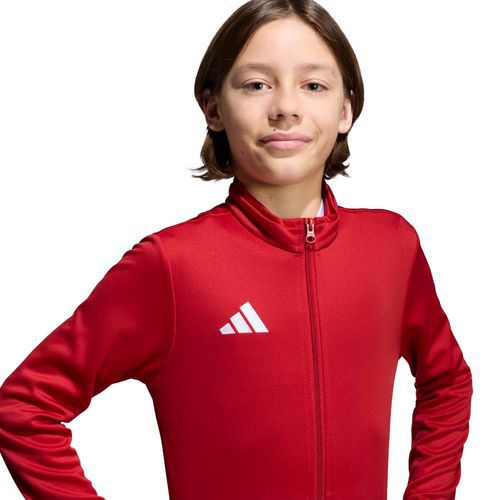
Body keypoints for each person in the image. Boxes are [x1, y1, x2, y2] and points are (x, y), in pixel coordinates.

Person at [0, 1, 473, 499]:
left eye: (313, 85)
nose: (286, 106)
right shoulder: (173, 265)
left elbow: (447, 381)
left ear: (345, 110)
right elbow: (25, 407)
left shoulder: (392, 247)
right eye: (256, 85)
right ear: (213, 108)